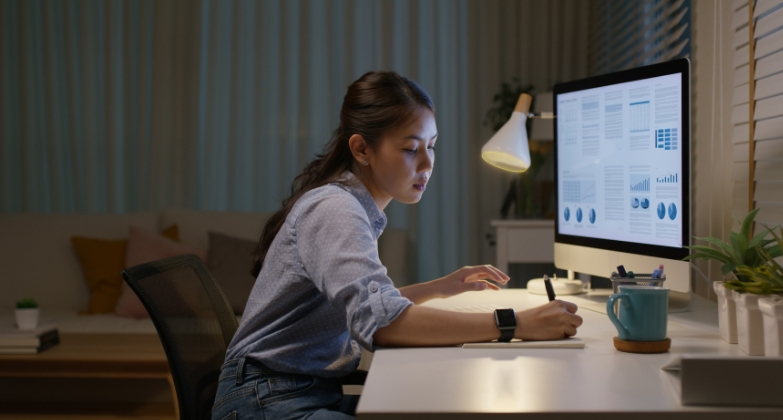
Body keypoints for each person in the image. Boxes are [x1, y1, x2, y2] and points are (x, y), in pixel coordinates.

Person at [211, 71, 583, 420]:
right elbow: (381, 325)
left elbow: (360, 305)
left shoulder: (350, 205)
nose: (426, 164)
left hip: (295, 389)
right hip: (265, 400)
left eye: (432, 146)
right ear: (361, 149)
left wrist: (438, 287)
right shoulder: (336, 210)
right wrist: (514, 323)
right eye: (410, 149)